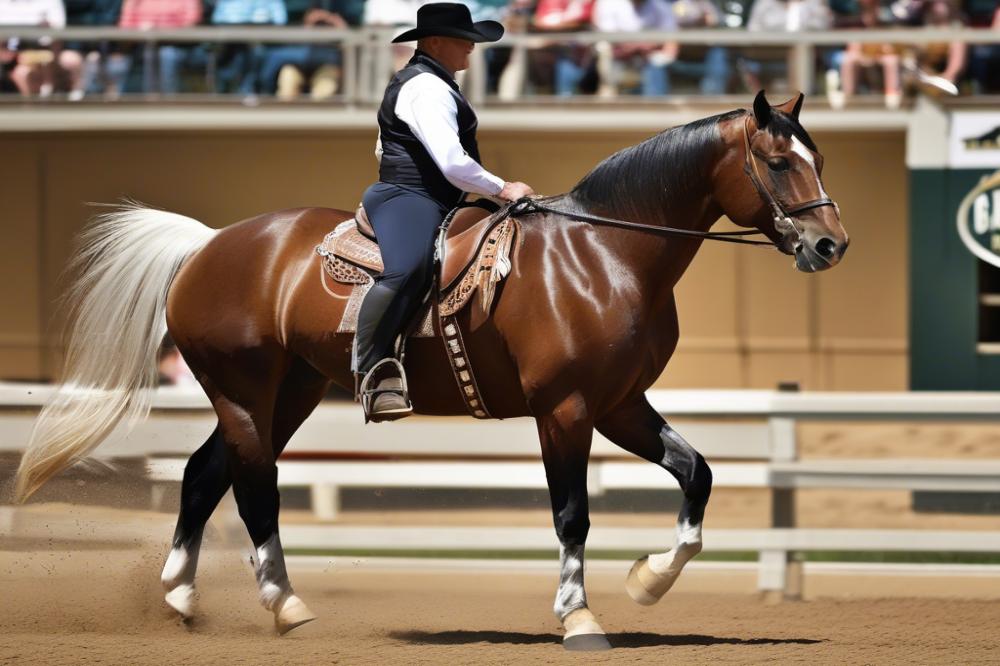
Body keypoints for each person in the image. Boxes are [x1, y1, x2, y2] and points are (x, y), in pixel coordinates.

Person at [354, 2, 534, 421]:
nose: (471, 51)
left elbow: (382, 146)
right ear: (435, 42)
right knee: (409, 268)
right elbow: (451, 163)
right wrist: (503, 188)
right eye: (464, 42)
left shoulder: (433, 82)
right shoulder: (426, 87)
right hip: (409, 197)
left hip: (437, 197)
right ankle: (372, 368)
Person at [592, 0, 679, 96]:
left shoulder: (660, 5)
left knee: (658, 64)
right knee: (604, 53)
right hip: (618, 55)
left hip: (648, 56)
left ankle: (654, 107)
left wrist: (643, 45)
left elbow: (670, 38)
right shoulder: (609, 3)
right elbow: (608, 36)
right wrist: (639, 44)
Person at [0, 0, 85, 98]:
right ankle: (31, 108)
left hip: (48, 51)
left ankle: (72, 103)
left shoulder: (51, 2)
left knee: (72, 60)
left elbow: (57, 31)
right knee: (23, 74)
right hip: (12, 54)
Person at [117, 0, 203, 95]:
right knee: (148, 54)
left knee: (167, 55)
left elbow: (191, 21)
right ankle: (148, 101)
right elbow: (126, 25)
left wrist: (160, 30)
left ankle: (169, 101)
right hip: (141, 45)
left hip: (178, 46)